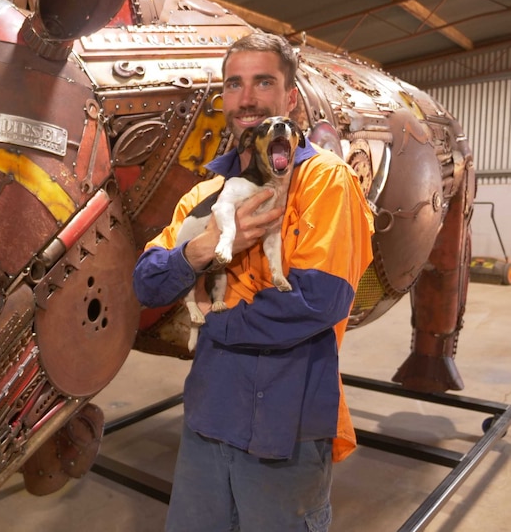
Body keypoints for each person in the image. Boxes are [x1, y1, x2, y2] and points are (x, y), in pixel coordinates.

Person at [132, 32, 375, 531]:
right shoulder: (206, 194)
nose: (247, 98)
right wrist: (203, 249)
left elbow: (318, 301)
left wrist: (208, 326)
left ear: (290, 97)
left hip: (286, 427)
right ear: (224, 99)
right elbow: (147, 285)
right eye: (235, 84)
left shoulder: (325, 181)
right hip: (207, 420)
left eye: (264, 82)